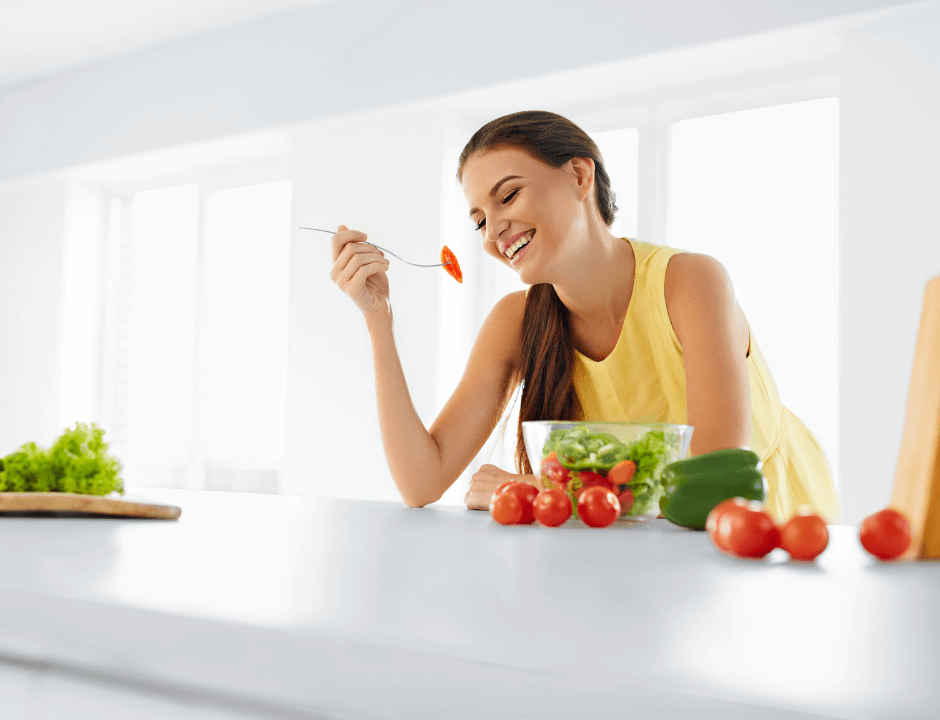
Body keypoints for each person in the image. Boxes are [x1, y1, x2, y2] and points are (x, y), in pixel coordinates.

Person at [329, 110, 842, 524]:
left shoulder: (691, 282)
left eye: (508, 195)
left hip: (768, 528)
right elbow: (422, 481)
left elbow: (711, 487)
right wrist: (379, 321)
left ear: (579, 175)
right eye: (480, 219)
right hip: (640, 551)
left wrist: (547, 490)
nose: (493, 232)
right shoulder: (515, 321)